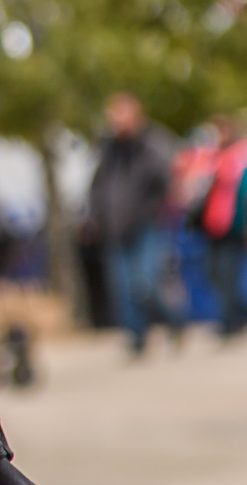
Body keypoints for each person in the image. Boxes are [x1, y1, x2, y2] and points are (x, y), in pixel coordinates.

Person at [83, 92, 182, 357]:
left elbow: (165, 180)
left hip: (145, 224)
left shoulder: (151, 144)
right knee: (123, 288)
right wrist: (93, 216)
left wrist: (153, 208)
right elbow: (97, 186)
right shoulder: (108, 149)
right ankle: (136, 337)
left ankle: (174, 320)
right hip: (114, 227)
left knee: (146, 283)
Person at [198, 116, 247, 338]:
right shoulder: (212, 160)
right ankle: (233, 316)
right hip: (214, 226)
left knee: (231, 274)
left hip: (236, 226)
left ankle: (234, 319)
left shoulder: (241, 158)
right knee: (216, 273)